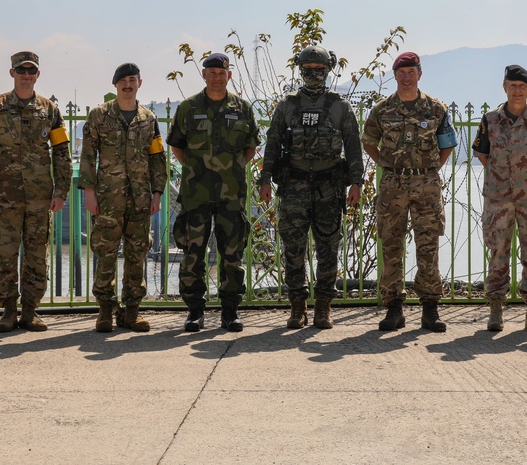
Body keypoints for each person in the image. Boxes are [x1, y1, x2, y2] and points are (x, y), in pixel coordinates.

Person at [257, 45, 364, 329]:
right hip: (294, 186)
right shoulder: (288, 105)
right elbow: (273, 142)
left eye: (319, 69)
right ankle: (297, 306)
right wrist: (265, 178)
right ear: (300, 70)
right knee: (293, 248)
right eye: (308, 69)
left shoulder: (341, 106)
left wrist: (357, 182)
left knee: (328, 247)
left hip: (329, 187)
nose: (314, 74)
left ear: (328, 70)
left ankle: (323, 308)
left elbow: (353, 146)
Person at [0, 51, 73, 333]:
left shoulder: (50, 110)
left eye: (31, 70)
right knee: (6, 253)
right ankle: (7, 311)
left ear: (38, 74)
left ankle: (30, 311)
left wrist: (61, 190)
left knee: (37, 254)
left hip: (41, 196)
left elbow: (62, 152)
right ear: (12, 73)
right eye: (21, 70)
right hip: (5, 195)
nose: (26, 75)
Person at [362, 51, 457, 332]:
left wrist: (432, 169)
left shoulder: (436, 109)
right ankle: (394, 308)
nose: (406, 77)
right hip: (393, 184)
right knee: (391, 244)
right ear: (395, 76)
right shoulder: (382, 110)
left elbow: (447, 143)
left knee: (428, 245)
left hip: (426, 185)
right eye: (401, 73)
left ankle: (430, 308)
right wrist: (383, 163)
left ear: (420, 73)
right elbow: (368, 141)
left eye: (411, 72)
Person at [166, 52, 260, 332]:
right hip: (197, 193)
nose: (217, 77)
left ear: (229, 75)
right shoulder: (188, 108)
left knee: (232, 252)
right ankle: (195, 311)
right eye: (212, 72)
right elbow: (177, 146)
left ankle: (230, 311)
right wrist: (198, 169)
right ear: (204, 75)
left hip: (232, 194)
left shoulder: (242, 108)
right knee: (193, 251)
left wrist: (230, 169)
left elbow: (251, 147)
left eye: (222, 73)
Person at [79, 63, 167, 332]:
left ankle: (131, 312)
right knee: (105, 253)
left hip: (140, 199)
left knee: (136, 254)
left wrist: (158, 193)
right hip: (107, 198)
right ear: (115, 85)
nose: (127, 85)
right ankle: (105, 310)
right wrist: (89, 193)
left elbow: (157, 159)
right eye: (122, 81)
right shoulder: (99, 116)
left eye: (132, 80)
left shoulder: (148, 119)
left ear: (140, 82)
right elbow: (87, 156)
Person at [472, 65, 527, 332]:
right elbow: (482, 154)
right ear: (505, 88)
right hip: (498, 198)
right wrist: (502, 177)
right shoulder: (490, 120)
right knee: (498, 252)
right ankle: (496, 307)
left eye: (522, 87)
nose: (517, 91)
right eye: (512, 86)